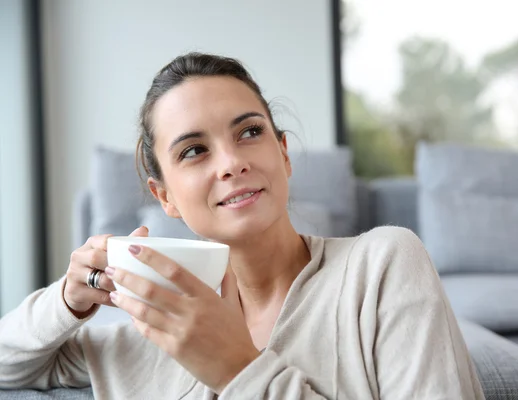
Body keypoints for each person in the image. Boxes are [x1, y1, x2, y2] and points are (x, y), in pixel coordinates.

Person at [0, 52, 485, 399]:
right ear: (163, 196)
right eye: (194, 150)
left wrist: (237, 368)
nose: (231, 162)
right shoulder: (147, 334)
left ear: (284, 154)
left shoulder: (381, 266)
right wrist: (67, 299)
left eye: (249, 132)